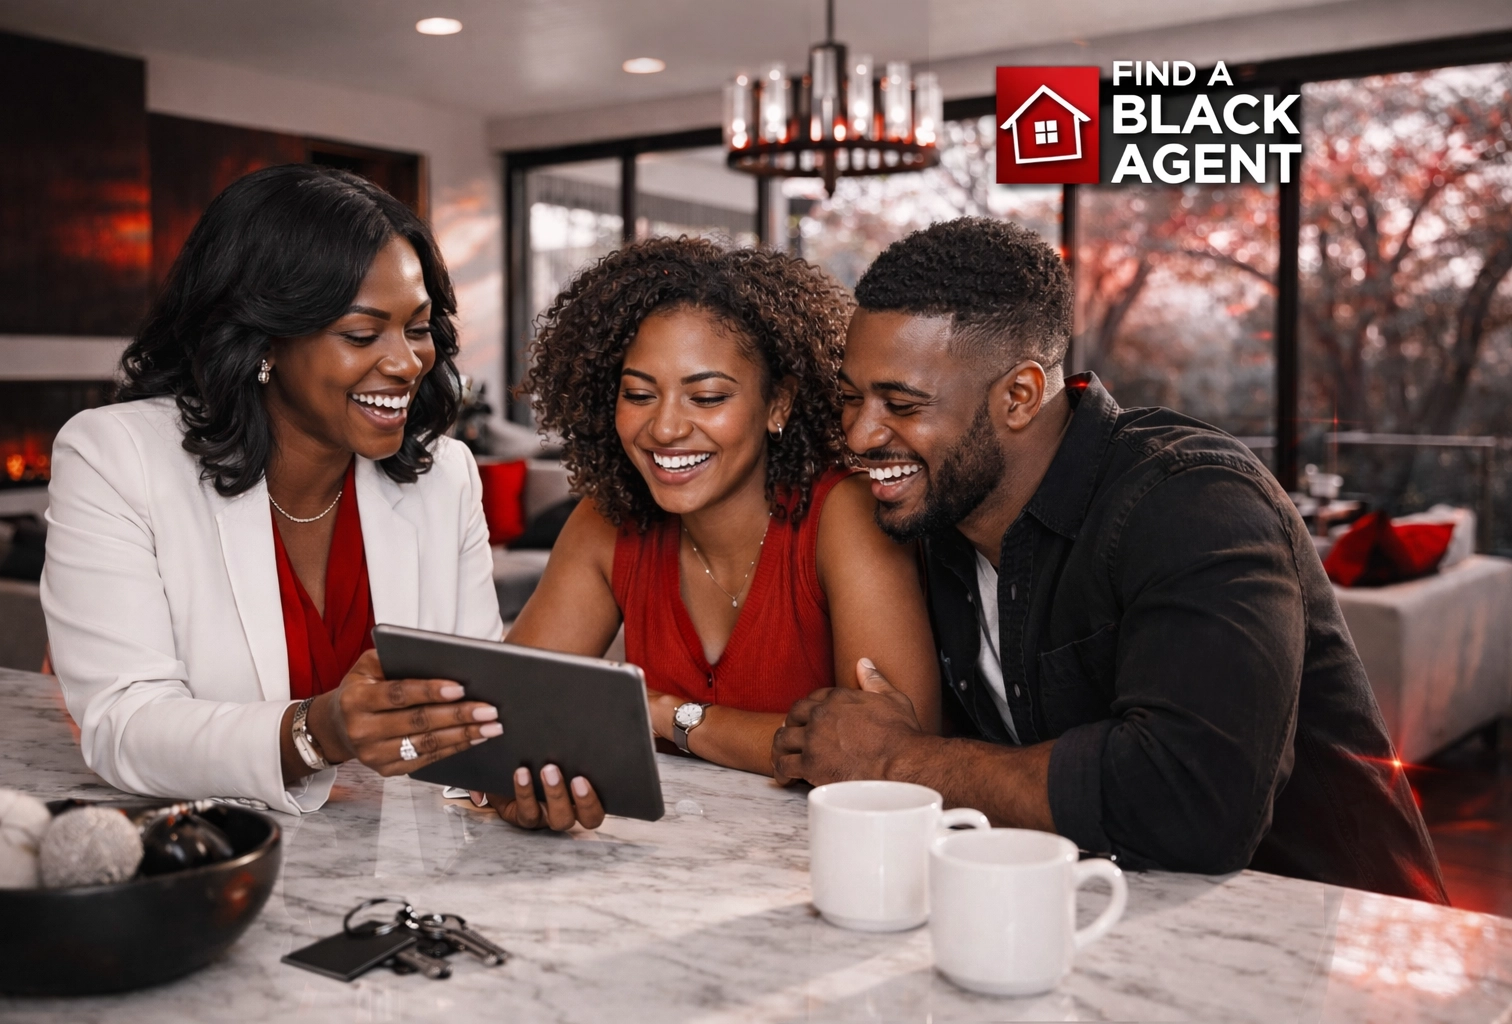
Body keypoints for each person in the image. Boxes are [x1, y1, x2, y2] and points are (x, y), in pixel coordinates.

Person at [772, 217, 1447, 902]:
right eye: (853, 397)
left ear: (1020, 396)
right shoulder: (937, 517)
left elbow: (1192, 803)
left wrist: (895, 760)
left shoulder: (1195, 501)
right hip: (1106, 930)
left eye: (902, 403)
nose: (859, 433)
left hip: (1338, 951)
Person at [41, 165, 600, 830]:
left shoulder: (442, 474)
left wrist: (498, 784)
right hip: (216, 852)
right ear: (263, 339)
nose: (405, 363)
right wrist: (317, 732)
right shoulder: (115, 457)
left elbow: (466, 715)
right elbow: (123, 724)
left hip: (393, 872)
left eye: (417, 328)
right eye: (362, 334)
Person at [499, 236, 939, 782]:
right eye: (638, 394)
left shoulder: (843, 516)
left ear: (778, 402)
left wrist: (665, 714)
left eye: (706, 397)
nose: (664, 428)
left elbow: (890, 756)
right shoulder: (609, 521)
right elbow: (507, 713)